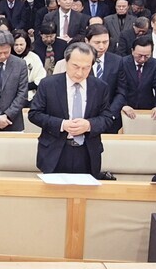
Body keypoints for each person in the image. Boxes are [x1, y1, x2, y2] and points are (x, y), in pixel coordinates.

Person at [28, 42, 114, 177]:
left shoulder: (100, 87)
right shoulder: (48, 84)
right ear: (66, 61)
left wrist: (89, 125)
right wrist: (62, 124)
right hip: (55, 151)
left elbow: (107, 118)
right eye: (75, 66)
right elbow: (34, 114)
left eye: (86, 68)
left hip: (87, 152)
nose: (80, 73)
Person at [119, 36, 156, 120]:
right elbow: (119, 87)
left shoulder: (155, 64)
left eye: (147, 56)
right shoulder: (122, 63)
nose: (142, 59)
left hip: (147, 108)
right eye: (139, 55)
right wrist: (123, 105)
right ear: (132, 51)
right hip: (125, 108)